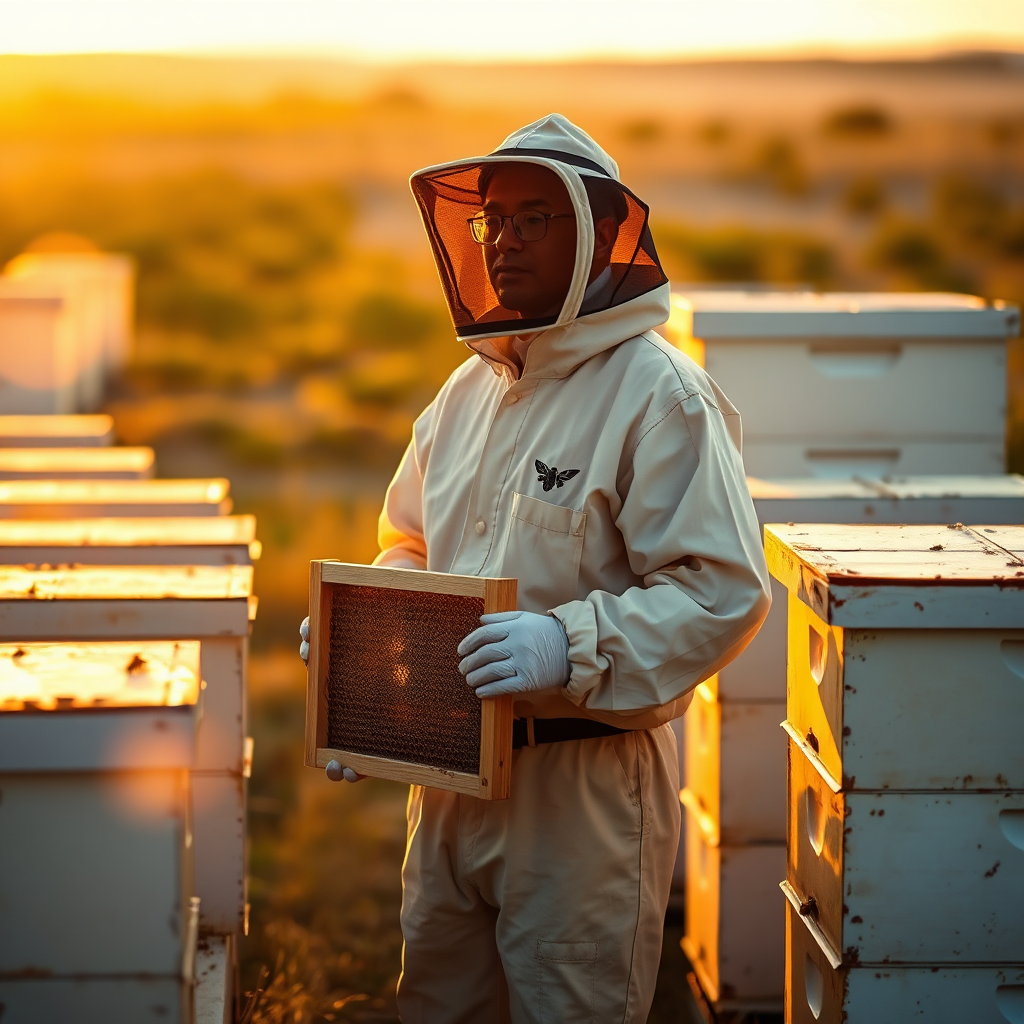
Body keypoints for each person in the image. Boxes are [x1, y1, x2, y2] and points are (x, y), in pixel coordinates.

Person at [299, 113, 771, 1023]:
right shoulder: (466, 389)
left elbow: (721, 593)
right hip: (448, 786)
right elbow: (411, 543)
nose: (502, 241)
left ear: (595, 235)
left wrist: (568, 643)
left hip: (581, 794)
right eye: (490, 222)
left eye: (531, 221)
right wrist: (369, 654)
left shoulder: (659, 395)